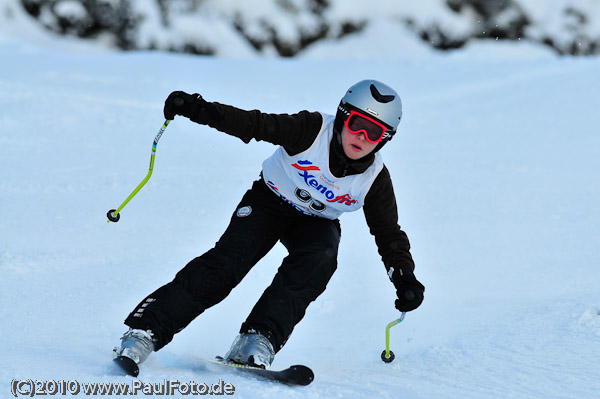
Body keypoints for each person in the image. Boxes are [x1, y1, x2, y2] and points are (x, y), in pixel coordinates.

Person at [113, 79, 425, 370]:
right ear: (344, 117)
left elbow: (389, 234)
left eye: (376, 134)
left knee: (320, 259)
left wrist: (404, 276)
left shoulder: (374, 179)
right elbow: (253, 124)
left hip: (316, 222)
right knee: (226, 265)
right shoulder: (311, 130)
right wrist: (198, 109)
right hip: (269, 202)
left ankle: (257, 339)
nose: (363, 138)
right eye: (359, 126)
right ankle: (145, 332)